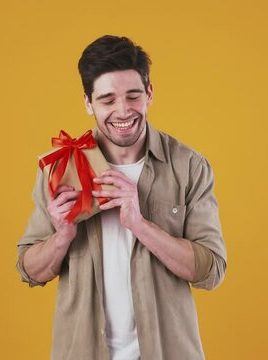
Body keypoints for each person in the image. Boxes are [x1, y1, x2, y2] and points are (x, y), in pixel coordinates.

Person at [16, 35, 227, 360]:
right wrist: (62, 236)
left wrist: (140, 224)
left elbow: (211, 270)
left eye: (133, 96)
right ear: (88, 102)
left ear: (150, 93)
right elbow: (28, 269)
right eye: (107, 99)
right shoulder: (61, 169)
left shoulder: (189, 167)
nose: (123, 110)